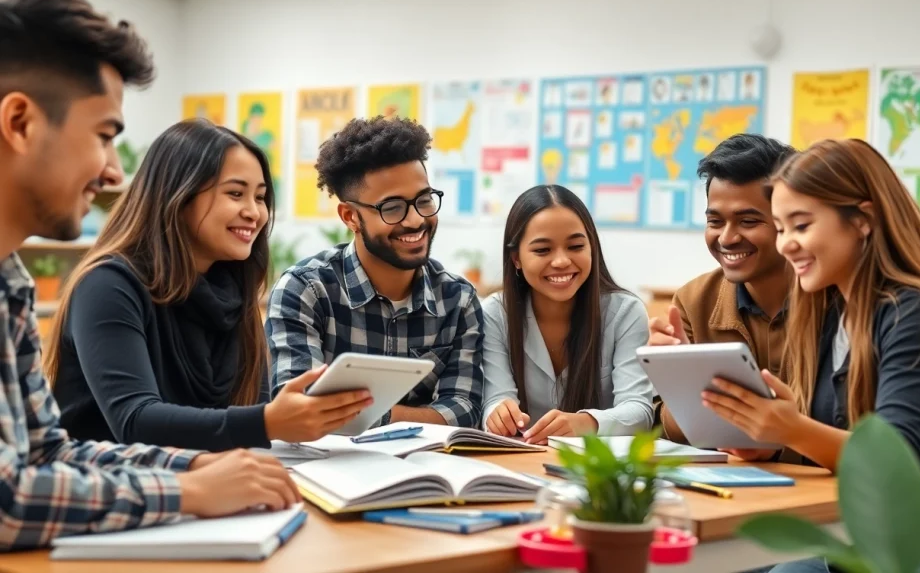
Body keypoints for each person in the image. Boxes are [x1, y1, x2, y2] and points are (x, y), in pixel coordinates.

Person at [0, 0, 299, 549]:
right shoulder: (108, 283)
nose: (115, 173)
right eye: (104, 136)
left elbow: (48, 451)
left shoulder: (10, 283)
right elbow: (8, 499)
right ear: (20, 122)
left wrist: (197, 472)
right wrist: (188, 492)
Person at [703, 139, 920, 572]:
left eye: (801, 225)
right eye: (781, 227)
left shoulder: (916, 312)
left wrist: (793, 429)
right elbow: (835, 454)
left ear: (862, 221)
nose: (787, 244)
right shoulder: (831, 310)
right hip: (843, 525)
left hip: (913, 541)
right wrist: (772, 441)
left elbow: (895, 462)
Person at [45, 120, 372, 452]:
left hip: (201, 482)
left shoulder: (233, 295)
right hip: (108, 489)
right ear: (178, 195)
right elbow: (134, 420)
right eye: (235, 193)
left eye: (260, 197)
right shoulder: (107, 286)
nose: (254, 213)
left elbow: (249, 409)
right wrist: (267, 422)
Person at [266, 116, 483, 428]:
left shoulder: (458, 300)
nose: (415, 220)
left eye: (423, 200)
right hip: (323, 471)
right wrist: (413, 416)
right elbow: (301, 411)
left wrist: (359, 414)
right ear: (350, 216)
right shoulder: (305, 291)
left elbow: (464, 410)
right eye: (392, 207)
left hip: (426, 471)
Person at [648, 134, 795, 454]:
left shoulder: (834, 299)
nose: (727, 238)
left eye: (748, 221)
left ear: (787, 221)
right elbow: (670, 429)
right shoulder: (692, 301)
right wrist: (679, 380)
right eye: (715, 221)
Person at [482, 185, 654, 444]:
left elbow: (640, 411)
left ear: (591, 247)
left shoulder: (626, 313)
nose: (561, 261)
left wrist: (586, 423)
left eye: (575, 246)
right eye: (542, 250)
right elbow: (497, 398)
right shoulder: (496, 313)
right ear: (516, 258)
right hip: (521, 461)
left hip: (597, 467)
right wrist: (497, 413)